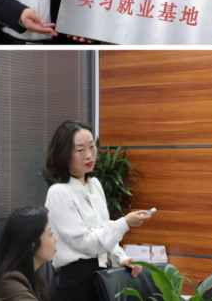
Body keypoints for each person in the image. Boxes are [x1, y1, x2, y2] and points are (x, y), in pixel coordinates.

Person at [44, 121, 152, 301]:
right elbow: (85, 242)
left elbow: (103, 233)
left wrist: (121, 258)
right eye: (80, 150)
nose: (89, 155)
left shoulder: (94, 184)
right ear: (64, 154)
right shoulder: (59, 192)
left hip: (101, 275)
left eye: (92, 147)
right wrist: (124, 223)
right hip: (75, 283)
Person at [0, 206, 56, 301]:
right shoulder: (9, 283)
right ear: (32, 245)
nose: (55, 239)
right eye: (51, 234)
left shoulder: (32, 274)